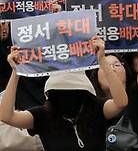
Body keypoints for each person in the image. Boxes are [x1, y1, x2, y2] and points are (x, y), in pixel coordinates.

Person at [0, 37, 128, 151]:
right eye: (61, 91)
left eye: (74, 90)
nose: (68, 95)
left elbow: (121, 102)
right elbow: (6, 116)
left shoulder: (97, 108)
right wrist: (16, 72)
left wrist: (103, 61)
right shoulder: (43, 115)